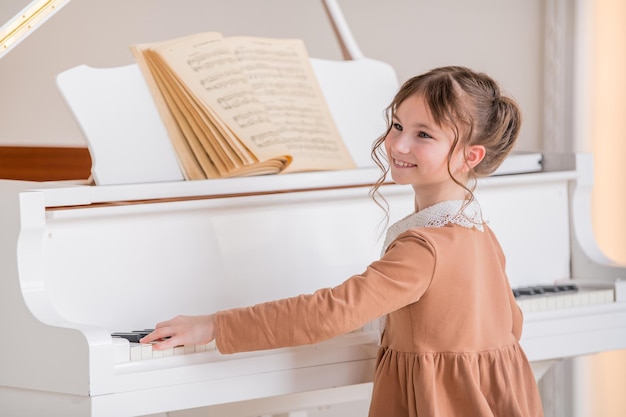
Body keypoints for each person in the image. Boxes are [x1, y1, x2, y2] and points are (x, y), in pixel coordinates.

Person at [141, 65, 544, 417]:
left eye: (424, 134)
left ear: (470, 157)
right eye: (398, 125)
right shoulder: (479, 231)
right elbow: (513, 323)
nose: (399, 145)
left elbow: (330, 314)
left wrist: (213, 324)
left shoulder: (424, 247)